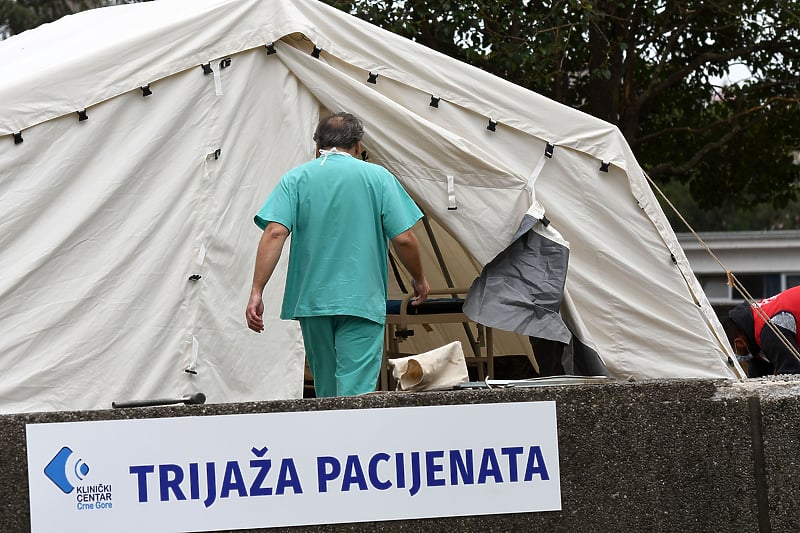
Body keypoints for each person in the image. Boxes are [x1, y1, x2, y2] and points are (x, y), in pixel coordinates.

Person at [245, 112, 430, 397]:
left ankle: (328, 440)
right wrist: (418, 278)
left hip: (313, 299)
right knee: (355, 392)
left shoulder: (296, 179)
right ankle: (353, 441)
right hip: (361, 300)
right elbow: (404, 238)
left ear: (317, 144)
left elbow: (274, 233)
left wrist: (257, 290)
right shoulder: (377, 177)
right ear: (358, 145)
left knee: (326, 389)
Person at [723, 286, 800, 377]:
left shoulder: (770, 331)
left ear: (739, 343)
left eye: (733, 353)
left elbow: (792, 377)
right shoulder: (754, 327)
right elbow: (760, 370)